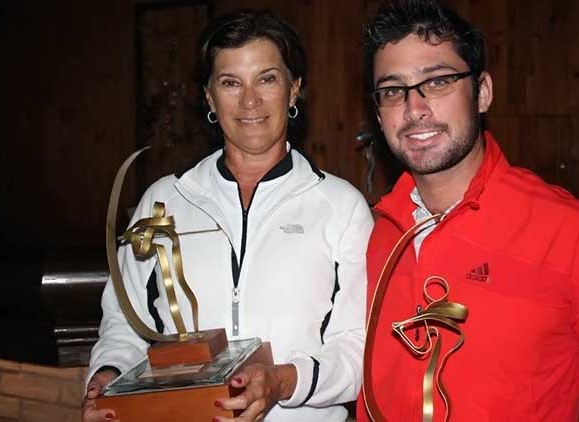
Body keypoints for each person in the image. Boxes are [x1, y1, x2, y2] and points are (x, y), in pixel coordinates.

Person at [82, 9, 373, 422]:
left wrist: (283, 382)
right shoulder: (163, 202)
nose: (250, 100)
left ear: (294, 91)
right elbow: (124, 324)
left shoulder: (340, 207)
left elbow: (357, 346)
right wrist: (107, 375)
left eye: (267, 79)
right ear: (209, 98)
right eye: (230, 82)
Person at [357, 0, 579, 421]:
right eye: (393, 90)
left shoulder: (574, 234)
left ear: (481, 92)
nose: (414, 108)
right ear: (378, 112)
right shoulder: (377, 231)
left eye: (439, 81)